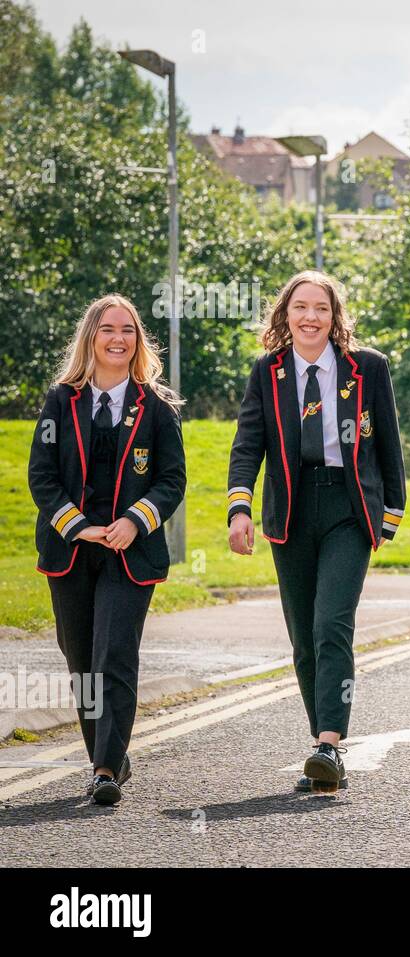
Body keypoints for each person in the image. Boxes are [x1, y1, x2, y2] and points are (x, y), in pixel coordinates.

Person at [226, 270, 406, 793]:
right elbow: (247, 445)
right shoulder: (269, 371)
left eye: (321, 308)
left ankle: (331, 743)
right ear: (285, 314)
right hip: (292, 510)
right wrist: (241, 510)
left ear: (335, 317)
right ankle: (319, 744)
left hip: (349, 509)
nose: (311, 317)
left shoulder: (367, 368)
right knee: (304, 637)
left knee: (332, 625)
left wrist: (388, 515)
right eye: (300, 307)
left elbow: (389, 444)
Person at [29, 294, 186, 805]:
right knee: (81, 661)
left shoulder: (157, 407)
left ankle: (104, 770)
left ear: (139, 341)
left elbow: (171, 480)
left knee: (113, 652)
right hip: (70, 550)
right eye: (107, 329)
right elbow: (42, 476)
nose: (118, 339)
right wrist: (78, 527)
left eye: (129, 331)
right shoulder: (60, 400)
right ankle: (111, 751)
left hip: (129, 552)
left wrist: (132, 523)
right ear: (90, 337)